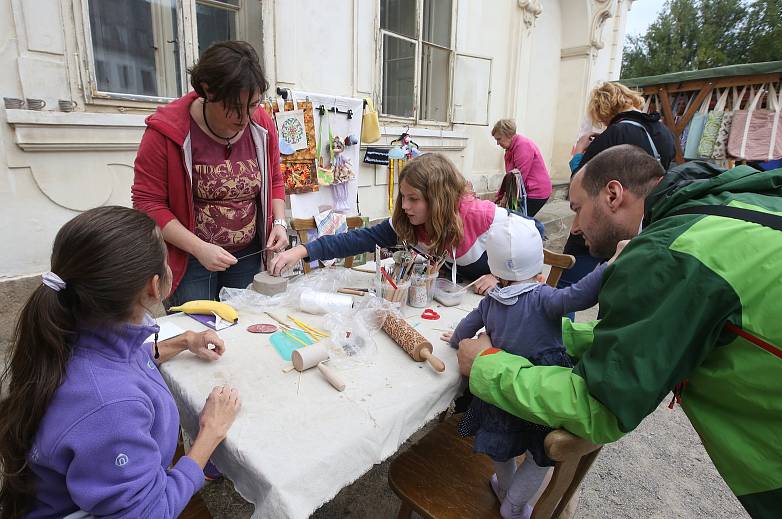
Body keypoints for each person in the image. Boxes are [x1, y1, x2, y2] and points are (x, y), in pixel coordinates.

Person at [456, 145, 782, 519]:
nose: (573, 228)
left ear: (613, 195)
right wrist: (553, 337)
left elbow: (601, 406)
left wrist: (487, 363)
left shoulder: (671, 254)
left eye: (576, 209)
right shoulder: (716, 211)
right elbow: (639, 342)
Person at [0, 206, 241, 518]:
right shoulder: (110, 406)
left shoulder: (73, 332)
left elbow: (123, 361)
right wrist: (210, 432)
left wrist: (183, 342)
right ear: (155, 286)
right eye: (165, 256)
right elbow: (151, 512)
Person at [442, 216, 613, 519]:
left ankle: (504, 488)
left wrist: (456, 340)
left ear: (494, 268)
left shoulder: (490, 302)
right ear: (538, 267)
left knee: (501, 447)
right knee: (541, 455)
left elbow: (467, 325)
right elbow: (581, 295)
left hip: (499, 389)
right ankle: (515, 505)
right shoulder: (543, 296)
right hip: (537, 385)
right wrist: (609, 265)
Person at [132, 40, 288, 306]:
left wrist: (280, 223)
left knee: (244, 324)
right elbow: (148, 204)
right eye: (234, 107)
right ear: (207, 90)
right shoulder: (165, 132)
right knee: (198, 332)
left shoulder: (260, 122)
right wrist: (199, 248)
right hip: (189, 257)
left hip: (248, 253)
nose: (245, 117)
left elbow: (274, 178)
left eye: (252, 104)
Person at [269, 153, 530, 294]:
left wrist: (501, 275)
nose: (404, 206)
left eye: (413, 199)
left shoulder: (478, 215)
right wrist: (302, 250)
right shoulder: (409, 221)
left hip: (496, 302)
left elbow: (533, 232)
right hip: (451, 299)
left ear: (438, 199)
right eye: (403, 197)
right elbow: (357, 239)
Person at [559, 81, 676, 297]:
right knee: (619, 287)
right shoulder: (665, 135)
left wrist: (578, 154)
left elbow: (582, 187)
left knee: (566, 285)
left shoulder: (614, 134)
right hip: (641, 226)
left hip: (602, 223)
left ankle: (555, 327)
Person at [492, 119, 553, 218]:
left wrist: (505, 197)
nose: (498, 143)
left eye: (499, 139)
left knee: (519, 221)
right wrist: (501, 195)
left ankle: (536, 233)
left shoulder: (522, 146)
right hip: (523, 189)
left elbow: (518, 178)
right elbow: (511, 177)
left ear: (508, 135)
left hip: (535, 192)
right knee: (515, 219)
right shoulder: (511, 147)